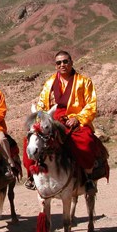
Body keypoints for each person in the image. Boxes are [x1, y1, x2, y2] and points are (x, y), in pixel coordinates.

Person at [25, 50, 101, 193]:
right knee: (30, 141)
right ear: (55, 66)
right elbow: (41, 104)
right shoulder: (49, 83)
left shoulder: (84, 82)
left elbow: (91, 105)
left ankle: (88, 176)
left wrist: (77, 118)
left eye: (65, 61)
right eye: (59, 62)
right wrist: (42, 118)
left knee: (86, 140)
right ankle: (32, 175)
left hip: (75, 120)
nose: (62, 65)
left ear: (71, 63)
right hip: (52, 119)